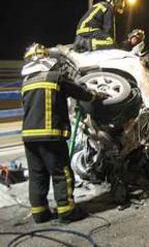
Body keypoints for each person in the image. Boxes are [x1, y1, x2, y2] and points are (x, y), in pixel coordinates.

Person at [21, 43, 105, 224]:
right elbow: (80, 92)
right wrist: (95, 96)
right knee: (61, 173)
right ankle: (66, 211)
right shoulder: (56, 77)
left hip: (29, 137)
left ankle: (40, 213)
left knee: (37, 175)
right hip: (51, 135)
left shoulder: (26, 82)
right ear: (46, 58)